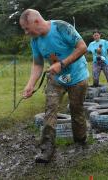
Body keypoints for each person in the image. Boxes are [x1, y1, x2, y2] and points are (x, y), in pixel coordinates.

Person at [19, 9, 89, 163]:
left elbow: (83, 47)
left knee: (76, 111)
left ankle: (80, 141)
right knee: (50, 110)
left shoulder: (61, 27)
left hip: (78, 77)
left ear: (36, 22)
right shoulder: (35, 40)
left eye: (26, 28)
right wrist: (30, 85)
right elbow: (38, 64)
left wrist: (62, 64)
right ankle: (46, 149)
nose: (25, 32)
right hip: (56, 79)